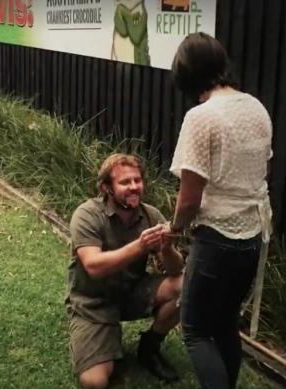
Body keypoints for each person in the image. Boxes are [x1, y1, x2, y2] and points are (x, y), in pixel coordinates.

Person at [164, 32, 273, 389]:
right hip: (253, 237)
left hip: (216, 239)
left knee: (195, 329)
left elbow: (191, 197)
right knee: (226, 323)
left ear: (186, 74)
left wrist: (175, 228)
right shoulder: (256, 107)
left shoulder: (202, 117)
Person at [67, 153, 184, 388]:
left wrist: (168, 248)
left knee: (185, 285)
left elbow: (175, 270)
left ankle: (150, 347)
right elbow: (94, 266)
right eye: (124, 182)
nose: (134, 187)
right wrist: (140, 245)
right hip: (93, 303)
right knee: (94, 382)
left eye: (137, 180)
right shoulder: (87, 215)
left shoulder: (150, 215)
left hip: (132, 293)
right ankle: (101, 337)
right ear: (106, 187)